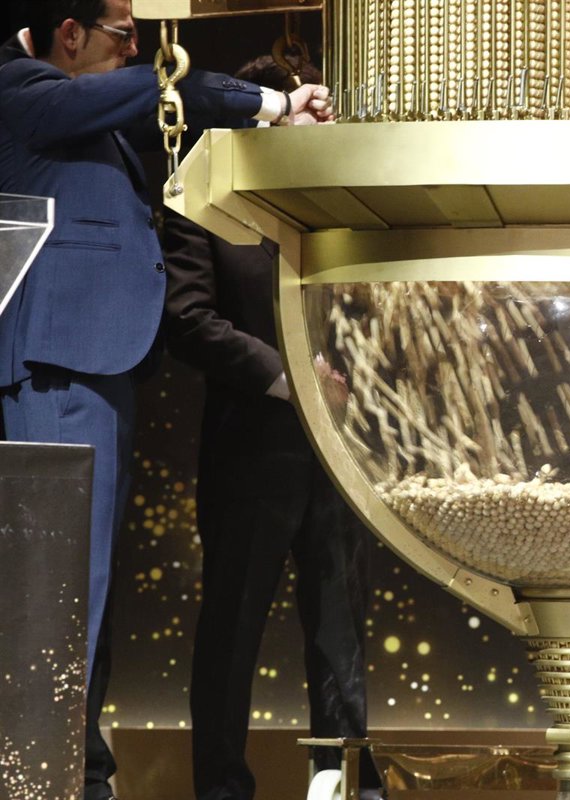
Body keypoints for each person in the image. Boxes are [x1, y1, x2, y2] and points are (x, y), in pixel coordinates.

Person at [0, 3, 331, 798]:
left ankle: (77, 774)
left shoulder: (73, 102)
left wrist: (274, 121)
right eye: (125, 35)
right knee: (60, 596)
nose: (137, 51)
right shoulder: (21, 87)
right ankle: (42, 781)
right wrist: (275, 102)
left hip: (92, 365)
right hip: (60, 367)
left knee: (83, 593)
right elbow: (168, 94)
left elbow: (170, 116)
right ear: (70, 33)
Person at [161, 55, 376, 800]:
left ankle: (346, 780)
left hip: (340, 450)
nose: (316, 127)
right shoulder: (202, 199)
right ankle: (222, 787)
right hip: (252, 447)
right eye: (301, 113)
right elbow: (188, 319)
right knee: (231, 631)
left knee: (341, 631)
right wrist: (291, 381)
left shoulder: (341, 205)